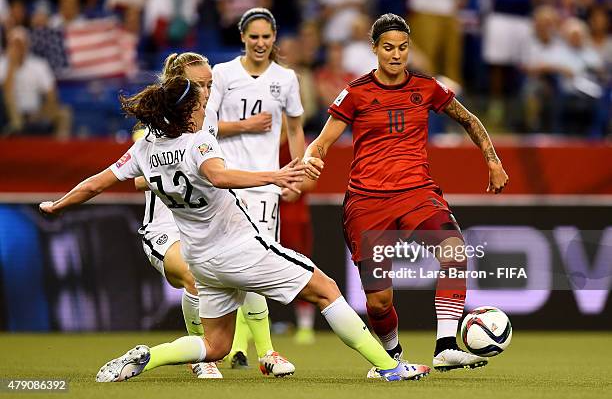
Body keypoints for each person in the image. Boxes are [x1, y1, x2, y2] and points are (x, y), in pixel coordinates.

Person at [39, 74, 431, 383]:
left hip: (202, 260)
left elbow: (96, 183)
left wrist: (58, 204)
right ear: (187, 111)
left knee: (215, 346)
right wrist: (274, 175)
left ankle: (149, 356)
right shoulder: (198, 144)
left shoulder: (144, 149)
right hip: (239, 248)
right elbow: (220, 176)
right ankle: (389, 367)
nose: (205, 106)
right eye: (201, 102)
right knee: (327, 290)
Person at [302, 13, 509, 376]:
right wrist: (309, 159)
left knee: (454, 251)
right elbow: (320, 143)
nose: (396, 55)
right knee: (380, 302)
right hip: (367, 202)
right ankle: (391, 357)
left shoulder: (427, 87)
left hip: (417, 192)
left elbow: (470, 120)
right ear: (374, 49)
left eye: (402, 48)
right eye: (388, 48)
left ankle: (445, 347)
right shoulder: (356, 93)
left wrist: (492, 160)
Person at [135, 51, 293, 378]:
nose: (207, 93)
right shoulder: (154, 127)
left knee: (249, 267)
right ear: (177, 85)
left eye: (210, 85)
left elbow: (210, 164)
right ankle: (202, 354)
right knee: (194, 279)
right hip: (168, 225)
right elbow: (137, 177)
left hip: (205, 220)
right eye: (199, 86)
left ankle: (266, 353)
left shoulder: (204, 118)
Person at [205, 8, 306, 367]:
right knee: (222, 267)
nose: (260, 43)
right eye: (254, 36)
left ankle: (246, 349)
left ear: (274, 37)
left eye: (266, 37)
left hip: (266, 186)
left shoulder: (287, 79)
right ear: (243, 37)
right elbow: (208, 126)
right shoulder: (223, 73)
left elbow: (295, 129)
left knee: (255, 265)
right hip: (226, 182)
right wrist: (245, 126)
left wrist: (298, 174)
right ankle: (239, 349)